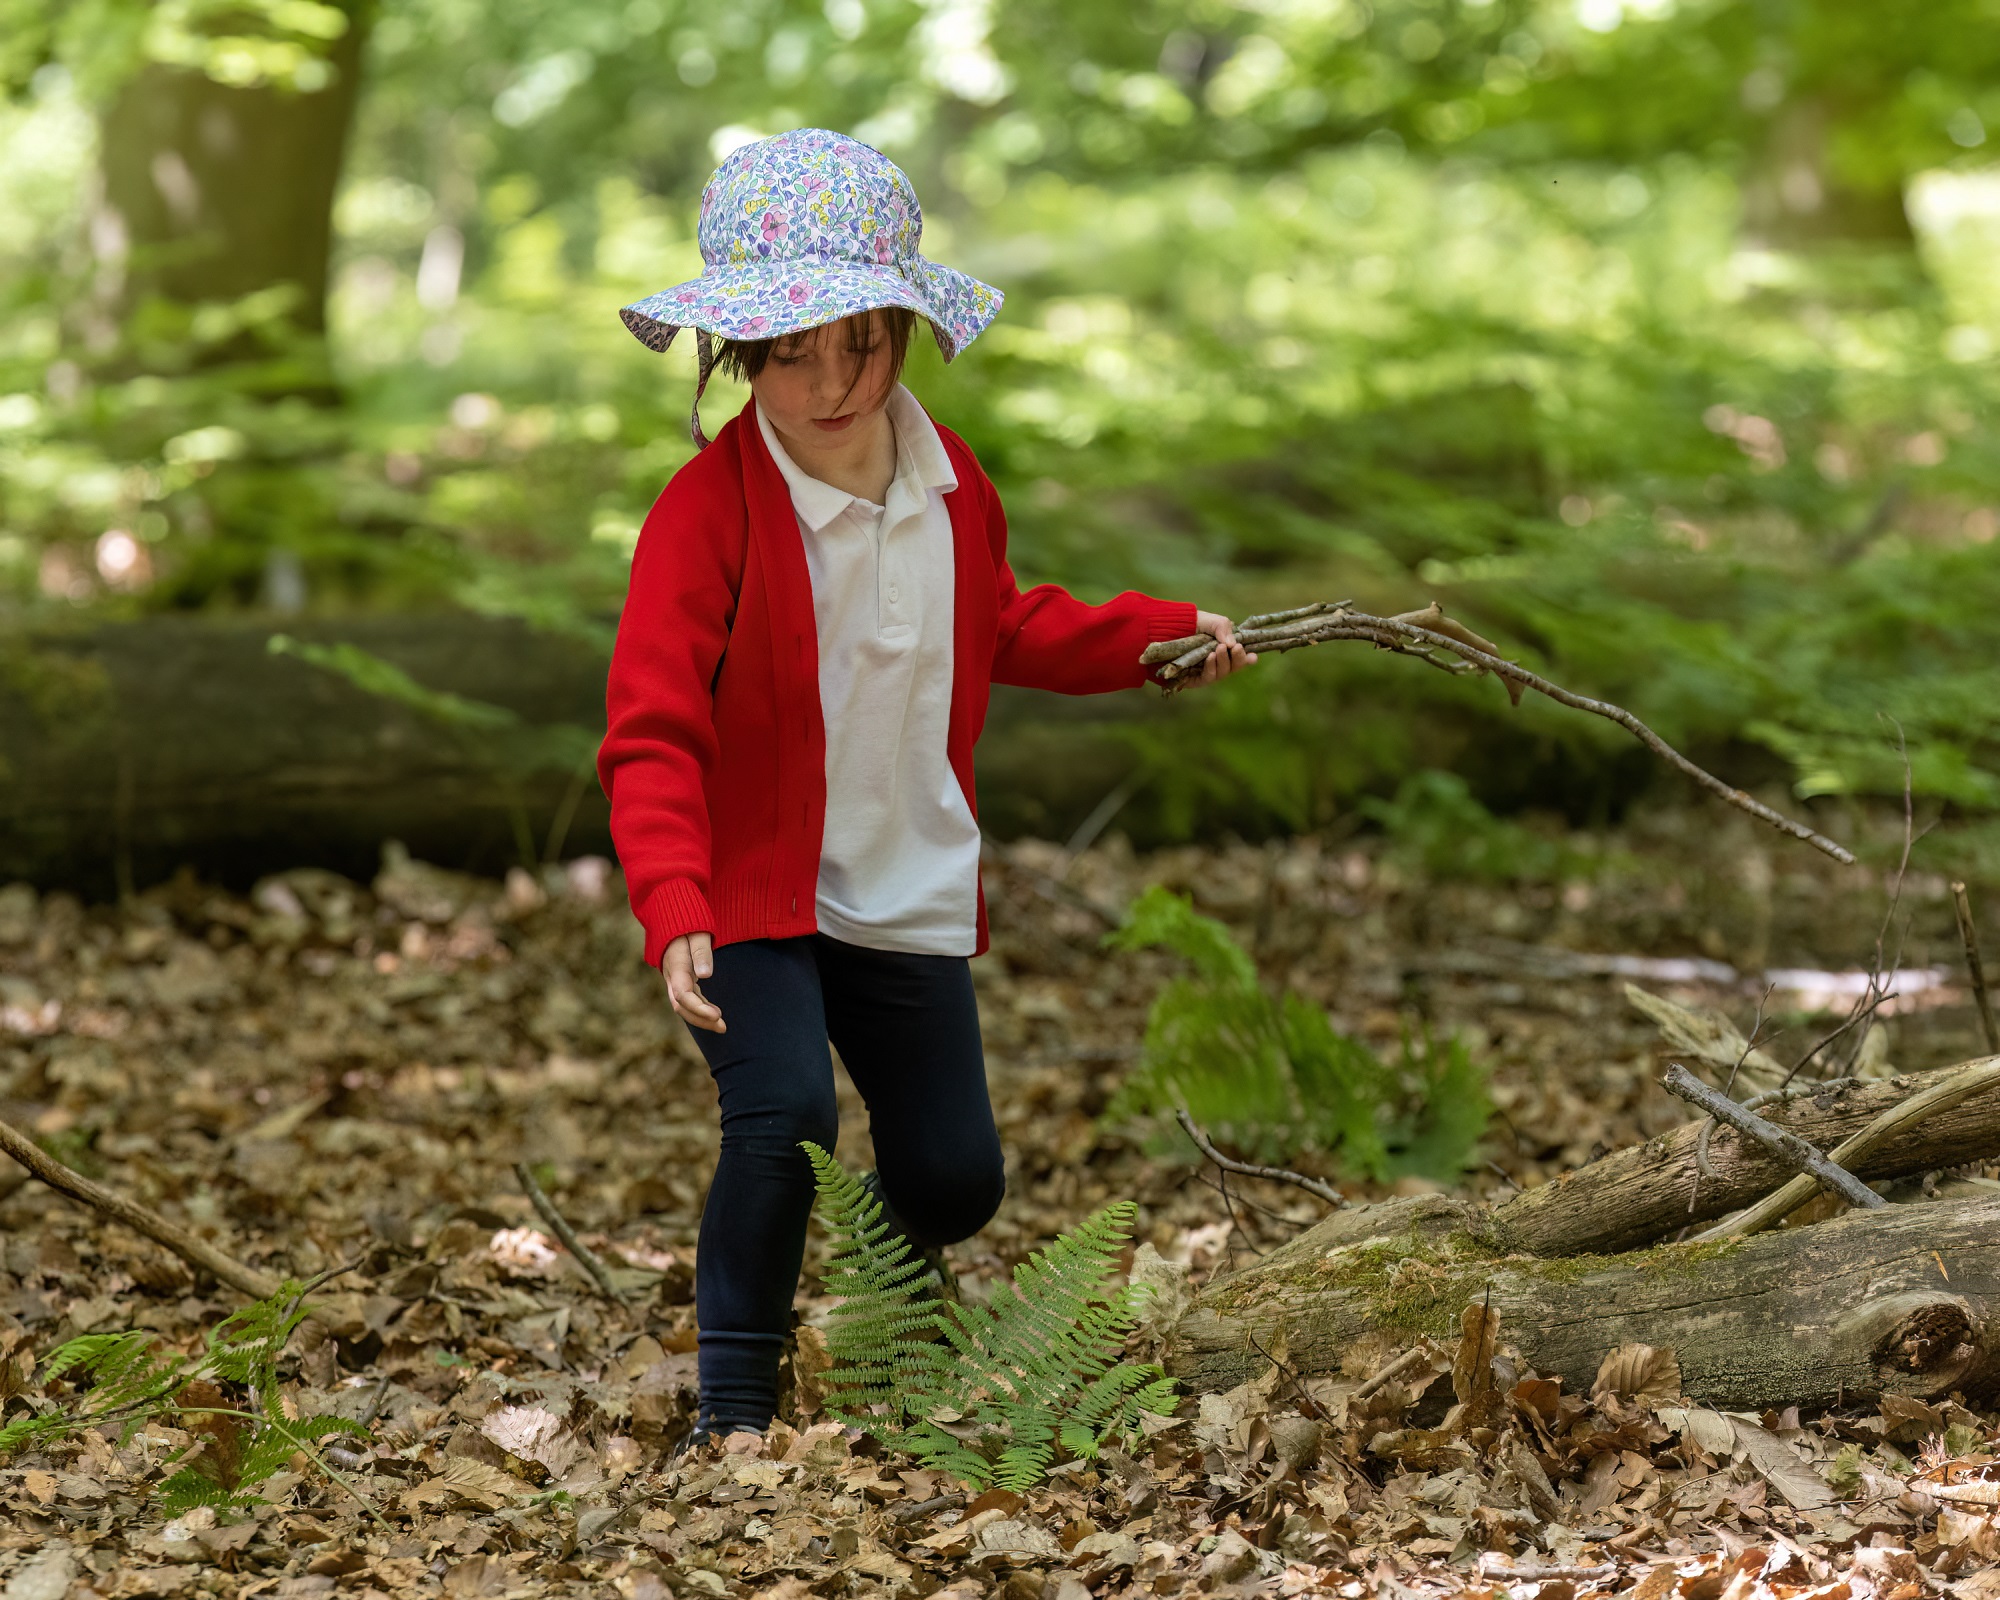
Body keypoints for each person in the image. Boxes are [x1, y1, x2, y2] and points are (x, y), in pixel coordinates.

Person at [598, 127, 1254, 1442]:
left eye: (863, 343)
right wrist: (674, 901)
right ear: (740, 354)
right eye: (794, 353)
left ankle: (882, 1308)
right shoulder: (706, 514)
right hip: (748, 895)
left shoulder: (955, 492)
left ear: (903, 331)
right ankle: (736, 1410)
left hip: (898, 874)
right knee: (784, 1119)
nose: (833, 381)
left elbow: (1002, 623)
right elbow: (651, 726)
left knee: (954, 1180)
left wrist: (1158, 637)